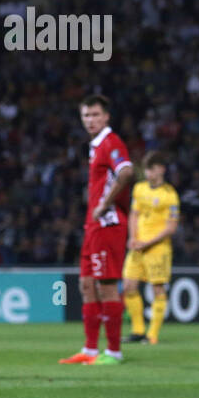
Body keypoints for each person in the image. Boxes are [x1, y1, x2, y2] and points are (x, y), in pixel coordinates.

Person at [60, 94, 134, 366]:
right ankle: (90, 350)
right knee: (86, 285)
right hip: (93, 227)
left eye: (95, 115)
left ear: (106, 116)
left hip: (107, 225)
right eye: (86, 116)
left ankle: (114, 352)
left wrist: (105, 203)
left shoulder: (112, 143)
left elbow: (127, 171)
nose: (90, 120)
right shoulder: (96, 146)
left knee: (106, 288)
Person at [123, 151, 179, 345]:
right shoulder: (139, 189)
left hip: (158, 248)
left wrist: (147, 242)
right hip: (137, 246)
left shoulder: (169, 195)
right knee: (129, 286)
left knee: (157, 288)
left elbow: (171, 227)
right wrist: (132, 237)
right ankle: (138, 330)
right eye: (146, 169)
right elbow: (134, 214)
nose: (148, 173)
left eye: (152, 169)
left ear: (161, 169)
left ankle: (152, 334)